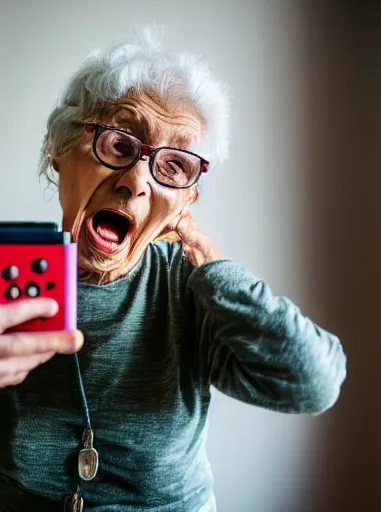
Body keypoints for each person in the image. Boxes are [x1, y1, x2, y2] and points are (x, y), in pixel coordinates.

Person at [0, 26, 347, 511]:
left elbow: (313, 382)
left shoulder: (193, 290)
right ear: (61, 150)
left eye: (172, 167)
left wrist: (210, 263)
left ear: (186, 200)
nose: (135, 183)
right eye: (119, 144)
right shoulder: (7, 272)